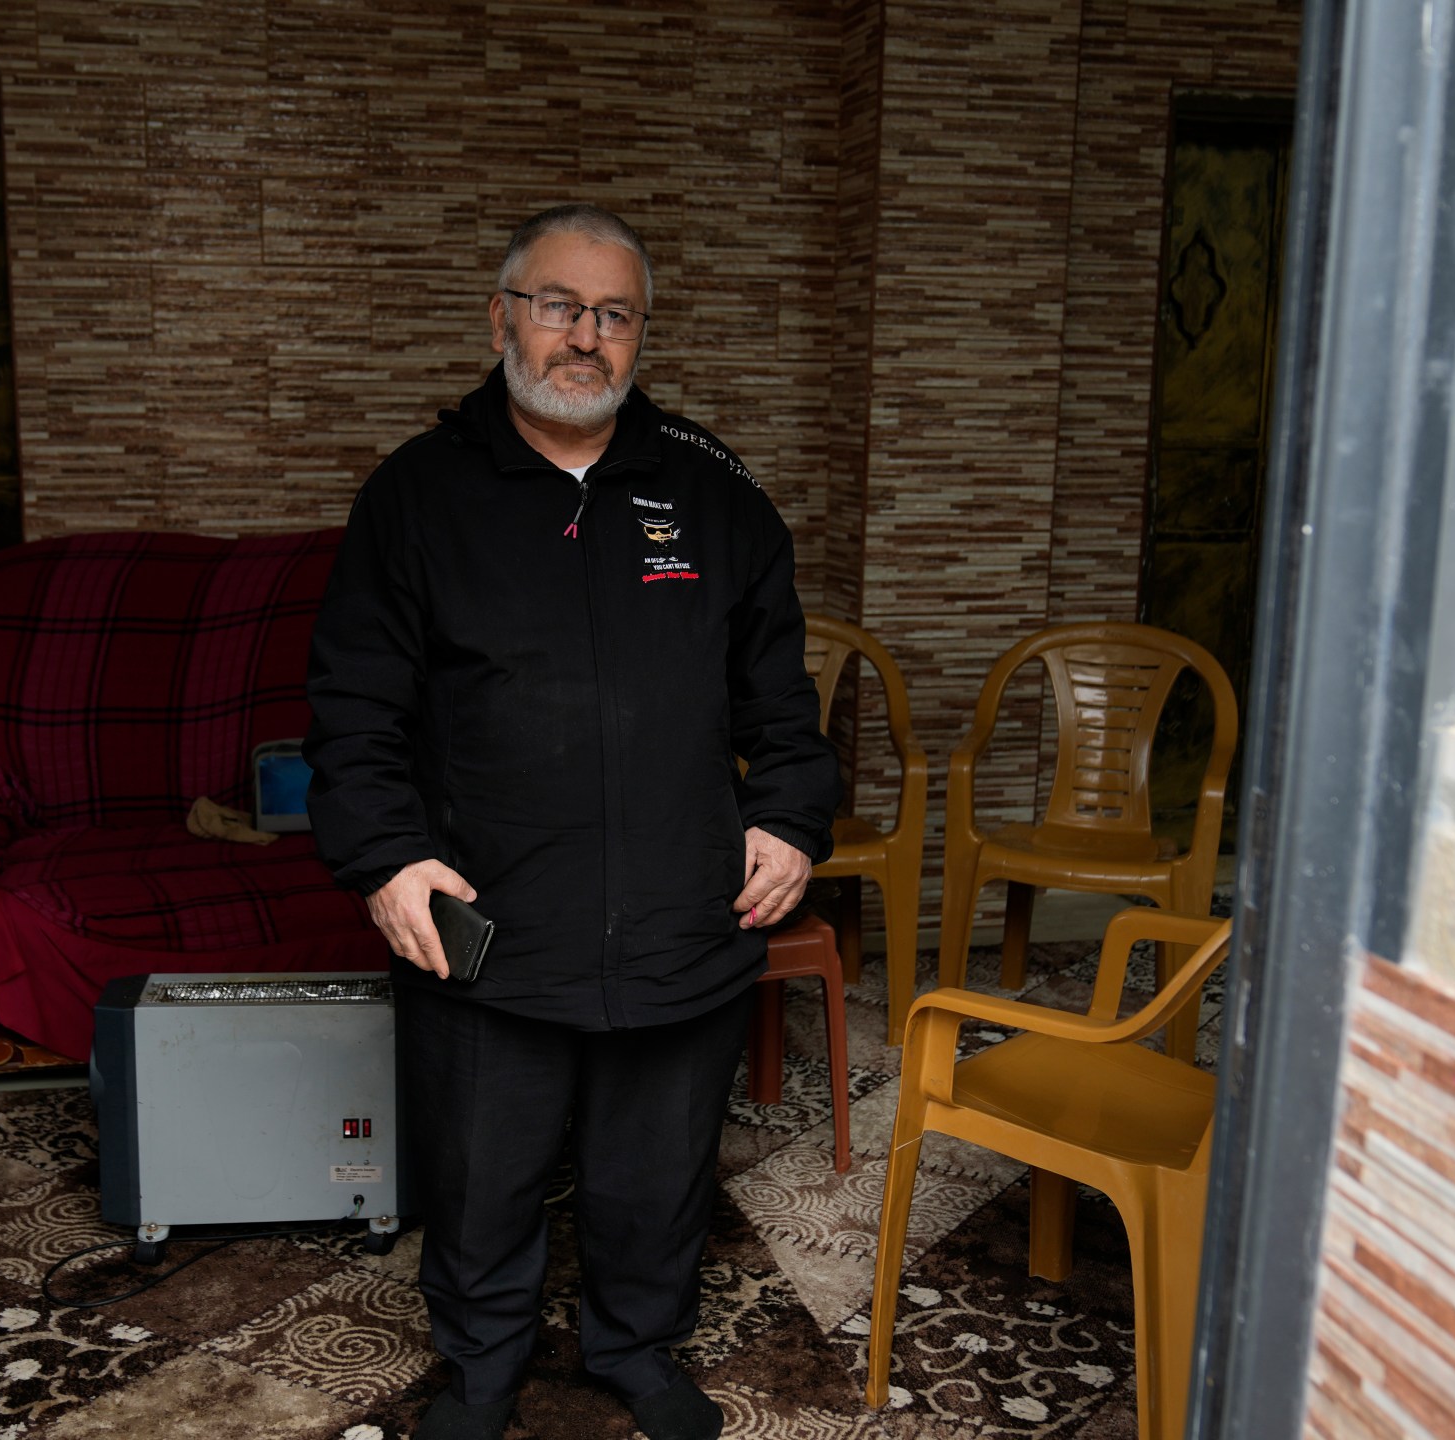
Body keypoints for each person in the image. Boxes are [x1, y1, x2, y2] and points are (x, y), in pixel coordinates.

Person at [304, 204, 841, 1440]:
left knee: (655, 1175)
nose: (583, 338)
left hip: (677, 910)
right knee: (482, 1175)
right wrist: (385, 857)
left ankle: (636, 1350)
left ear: (639, 333)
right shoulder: (416, 495)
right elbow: (353, 706)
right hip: (488, 918)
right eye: (557, 306)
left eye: (613, 314)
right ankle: (481, 1366)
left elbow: (781, 701)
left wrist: (789, 820)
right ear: (502, 317)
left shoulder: (713, 493)